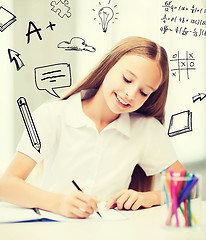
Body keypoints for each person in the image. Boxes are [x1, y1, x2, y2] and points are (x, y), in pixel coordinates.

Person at [0, 36, 186, 219]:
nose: (130, 94)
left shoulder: (146, 129)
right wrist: (59, 203)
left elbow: (187, 185)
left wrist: (150, 197)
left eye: (144, 92)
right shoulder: (52, 115)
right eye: (127, 79)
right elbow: (6, 185)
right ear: (108, 66)